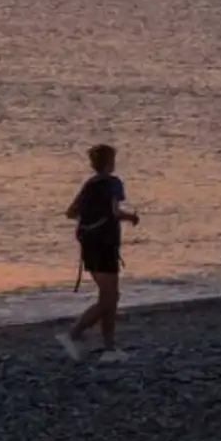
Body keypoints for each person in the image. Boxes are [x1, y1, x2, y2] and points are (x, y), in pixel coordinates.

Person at [59, 143, 138, 362]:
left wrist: (91, 220)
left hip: (89, 245)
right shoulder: (113, 183)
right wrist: (131, 217)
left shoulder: (89, 184)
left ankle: (109, 349)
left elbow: (70, 213)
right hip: (106, 244)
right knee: (110, 297)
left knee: (108, 296)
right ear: (110, 162)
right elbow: (115, 212)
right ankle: (73, 334)